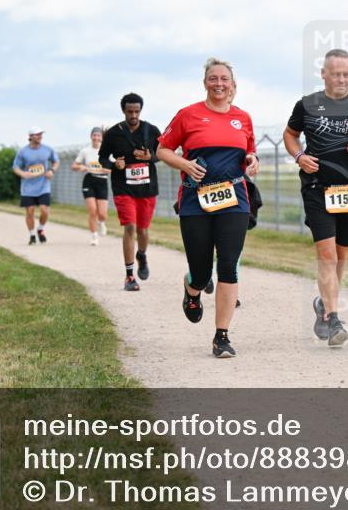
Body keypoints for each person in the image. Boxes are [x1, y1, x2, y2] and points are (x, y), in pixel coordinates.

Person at [283, 49, 348, 347]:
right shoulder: (307, 105)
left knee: (341, 257)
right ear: (324, 74)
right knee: (326, 255)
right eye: (336, 73)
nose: (341, 79)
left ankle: (324, 306)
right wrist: (300, 156)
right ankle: (333, 315)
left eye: (346, 74)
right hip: (317, 188)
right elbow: (290, 135)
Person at [158, 58, 258, 358]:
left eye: (224, 79)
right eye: (213, 78)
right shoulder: (188, 115)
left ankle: (221, 336)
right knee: (201, 272)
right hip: (195, 201)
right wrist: (185, 164)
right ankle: (192, 290)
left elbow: (250, 151)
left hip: (234, 199)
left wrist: (254, 160)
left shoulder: (243, 118)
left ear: (232, 84)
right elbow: (162, 149)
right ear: (205, 82)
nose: (218, 84)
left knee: (228, 265)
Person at [99, 93, 162, 291]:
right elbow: (102, 157)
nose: (133, 115)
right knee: (130, 228)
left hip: (147, 188)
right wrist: (113, 164)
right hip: (123, 187)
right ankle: (129, 276)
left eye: (136, 111)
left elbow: (162, 153)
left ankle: (142, 254)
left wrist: (150, 156)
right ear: (124, 111)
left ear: (141, 110)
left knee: (143, 230)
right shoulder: (113, 133)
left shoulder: (151, 130)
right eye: (130, 111)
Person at [12, 127, 59, 244]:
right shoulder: (23, 152)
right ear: (31, 137)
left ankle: (40, 228)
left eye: (41, 134)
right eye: (37, 134)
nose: (40, 136)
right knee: (30, 211)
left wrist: (52, 170)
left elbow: (56, 161)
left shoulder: (47, 149)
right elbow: (15, 167)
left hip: (43, 186)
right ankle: (32, 234)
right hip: (28, 188)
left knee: (45, 210)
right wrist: (23, 173)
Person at [72, 126, 110, 246]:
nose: (96, 137)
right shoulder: (85, 151)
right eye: (94, 135)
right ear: (91, 136)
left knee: (103, 213)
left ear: (101, 138)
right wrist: (81, 167)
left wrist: (105, 169)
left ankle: (101, 222)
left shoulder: (107, 151)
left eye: (99, 135)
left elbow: (115, 168)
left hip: (102, 181)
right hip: (89, 181)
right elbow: (74, 166)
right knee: (92, 210)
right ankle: (94, 236)